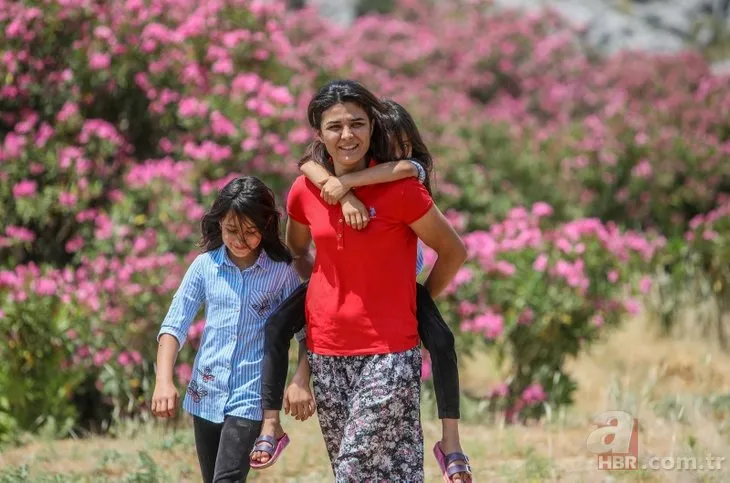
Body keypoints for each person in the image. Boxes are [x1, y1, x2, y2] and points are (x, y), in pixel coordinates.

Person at [250, 98, 473, 482]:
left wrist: (417, 299)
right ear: (320, 133)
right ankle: (271, 424)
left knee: (351, 470)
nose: (347, 134)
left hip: (389, 349)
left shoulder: (404, 188)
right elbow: (299, 251)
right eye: (335, 127)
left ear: (372, 130)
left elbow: (453, 251)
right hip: (327, 349)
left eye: (357, 124)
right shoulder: (305, 189)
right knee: (385, 471)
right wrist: (323, 291)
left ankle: (451, 439)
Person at [150, 176, 313, 483]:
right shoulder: (204, 267)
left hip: (250, 395)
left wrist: (301, 379)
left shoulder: (282, 274)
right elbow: (174, 325)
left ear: (265, 226)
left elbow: (307, 335)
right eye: (231, 230)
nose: (240, 240)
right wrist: (163, 381)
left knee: (227, 479)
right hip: (205, 394)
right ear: (219, 223)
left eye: (250, 232)